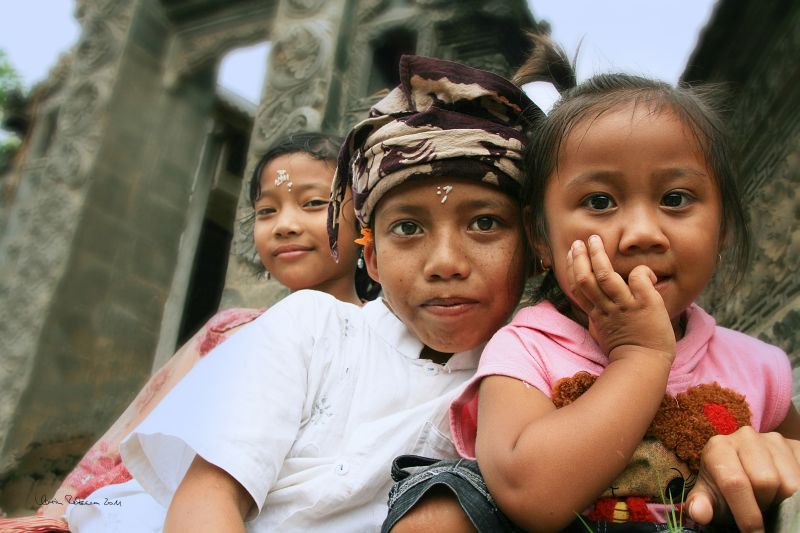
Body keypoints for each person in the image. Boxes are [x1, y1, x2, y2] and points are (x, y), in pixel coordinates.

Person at [58, 53, 554, 533]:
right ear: (373, 256)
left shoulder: (527, 384)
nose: (445, 262)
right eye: (407, 228)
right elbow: (204, 501)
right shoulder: (312, 329)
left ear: (536, 246)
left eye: (485, 223)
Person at [384, 70, 800, 532]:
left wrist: (778, 460)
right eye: (600, 202)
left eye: (676, 198)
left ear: (722, 227)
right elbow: (531, 496)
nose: (642, 233)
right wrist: (640, 356)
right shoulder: (528, 350)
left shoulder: (760, 369)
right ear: (541, 237)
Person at [0, 131, 377, 533]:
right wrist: (55, 513)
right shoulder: (232, 331)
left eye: (314, 204)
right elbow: (124, 437)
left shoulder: (390, 339)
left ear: (367, 220)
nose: (284, 225)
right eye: (267, 211)